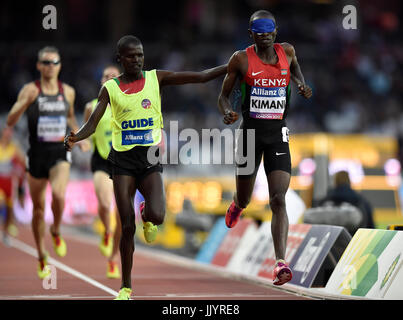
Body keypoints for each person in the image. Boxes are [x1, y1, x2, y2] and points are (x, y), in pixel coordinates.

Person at [65, 35, 227, 300]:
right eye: (131, 56)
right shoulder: (110, 89)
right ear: (120, 59)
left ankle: (147, 213)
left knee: (159, 216)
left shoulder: (155, 78)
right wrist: (74, 137)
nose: (137, 60)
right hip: (122, 161)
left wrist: (227, 68)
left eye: (140, 55)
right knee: (127, 225)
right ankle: (126, 287)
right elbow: (93, 124)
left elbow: (198, 77)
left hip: (150, 158)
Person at [217, 10, 312, 286]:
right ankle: (237, 204)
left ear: (276, 33)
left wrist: (300, 83)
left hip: (277, 134)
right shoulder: (241, 59)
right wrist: (227, 112)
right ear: (251, 35)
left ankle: (280, 263)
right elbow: (223, 96)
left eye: (269, 33)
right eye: (259, 34)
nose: (265, 38)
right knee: (246, 198)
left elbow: (295, 71)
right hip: (249, 134)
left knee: (278, 199)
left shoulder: (289, 52)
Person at [6, 46, 90, 279]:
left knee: (60, 194)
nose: (50, 67)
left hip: (59, 152)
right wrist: (24, 103)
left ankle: (55, 230)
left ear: (60, 66)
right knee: (38, 209)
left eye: (54, 62)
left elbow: (71, 116)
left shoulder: (68, 92)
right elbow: (11, 120)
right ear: (39, 65)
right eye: (46, 62)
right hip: (36, 155)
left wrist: (79, 137)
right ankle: (42, 255)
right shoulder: (30, 90)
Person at [83, 64, 122, 279]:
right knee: (106, 204)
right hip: (101, 161)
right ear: (101, 81)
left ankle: (113, 257)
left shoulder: (127, 104)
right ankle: (106, 231)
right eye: (105, 75)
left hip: (122, 163)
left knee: (122, 216)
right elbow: (86, 129)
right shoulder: (92, 106)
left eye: (113, 76)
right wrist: (83, 142)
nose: (109, 78)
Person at [0, 126, 25, 244]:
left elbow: (23, 163)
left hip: (9, 183)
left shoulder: (14, 148)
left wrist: (19, 170)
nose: (8, 136)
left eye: (10, 134)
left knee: (9, 210)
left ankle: (5, 234)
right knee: (1, 203)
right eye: (6, 134)